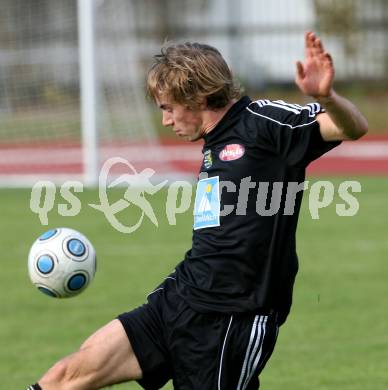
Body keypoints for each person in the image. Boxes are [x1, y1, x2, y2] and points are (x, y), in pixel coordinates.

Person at [27, 31, 368, 390]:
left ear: (197, 96)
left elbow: (352, 128)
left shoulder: (264, 123)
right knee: (69, 376)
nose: (166, 121)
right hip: (181, 297)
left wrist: (326, 96)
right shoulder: (213, 144)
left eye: (168, 108)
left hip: (233, 318)